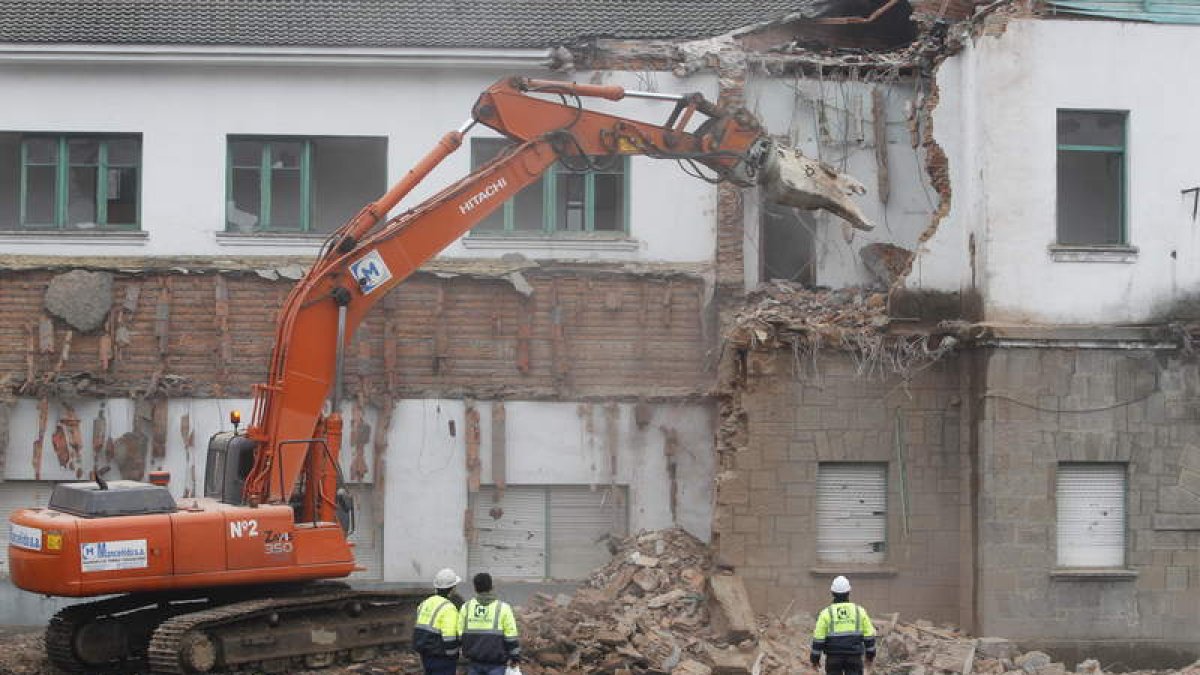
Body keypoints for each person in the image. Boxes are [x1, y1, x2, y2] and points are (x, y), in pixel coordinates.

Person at [810, 575, 877, 675]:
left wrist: (815, 659)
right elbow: (869, 636)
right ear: (849, 592)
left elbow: (818, 638)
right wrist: (870, 656)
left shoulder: (826, 613)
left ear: (832, 593)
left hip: (833, 658)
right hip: (854, 657)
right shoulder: (859, 611)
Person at [459, 572, 521, 675]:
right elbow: (511, 637)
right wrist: (515, 657)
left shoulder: (466, 607)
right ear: (492, 587)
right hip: (496, 664)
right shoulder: (503, 608)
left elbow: (460, 635)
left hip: (473, 662)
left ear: (475, 588)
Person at [412, 568, 464, 675]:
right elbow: (449, 638)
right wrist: (454, 656)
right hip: (442, 657)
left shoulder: (425, 603)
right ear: (452, 589)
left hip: (425, 654)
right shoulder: (449, 608)